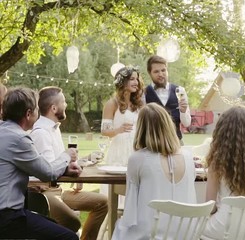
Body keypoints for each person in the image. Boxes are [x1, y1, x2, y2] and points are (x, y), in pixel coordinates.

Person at [0, 87, 81, 239]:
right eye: (37, 109)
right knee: (69, 237)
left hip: (10, 214)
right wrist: (66, 156)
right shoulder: (19, 138)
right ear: (29, 114)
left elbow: (31, 166)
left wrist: (63, 168)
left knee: (51, 224)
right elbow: (47, 172)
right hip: (9, 218)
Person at [30, 86, 108, 240]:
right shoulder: (41, 133)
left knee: (102, 203)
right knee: (72, 222)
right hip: (44, 192)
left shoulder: (54, 129)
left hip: (57, 189)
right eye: (63, 101)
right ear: (54, 108)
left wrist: (84, 160)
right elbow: (50, 170)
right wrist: (70, 168)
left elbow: (61, 163)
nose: (66, 105)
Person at [112, 103, 197, 239]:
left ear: (141, 128)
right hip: (185, 234)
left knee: (119, 227)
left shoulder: (138, 159)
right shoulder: (188, 157)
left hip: (150, 235)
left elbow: (130, 211)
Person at [202, 105, 245, 239]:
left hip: (224, 226)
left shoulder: (217, 162)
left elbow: (210, 206)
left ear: (221, 132)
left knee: (194, 227)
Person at [101, 66, 144, 166]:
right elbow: (104, 132)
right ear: (122, 82)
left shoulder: (138, 104)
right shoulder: (112, 104)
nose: (136, 82)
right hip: (119, 150)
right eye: (132, 79)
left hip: (136, 149)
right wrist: (119, 130)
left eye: (137, 79)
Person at [145, 55, 191, 144]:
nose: (161, 74)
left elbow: (187, 123)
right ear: (150, 73)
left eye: (163, 70)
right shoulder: (144, 93)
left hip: (176, 142)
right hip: (153, 143)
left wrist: (183, 111)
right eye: (156, 71)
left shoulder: (179, 90)